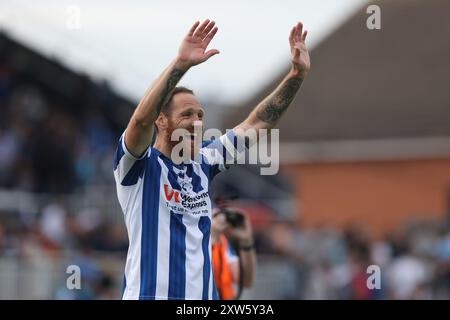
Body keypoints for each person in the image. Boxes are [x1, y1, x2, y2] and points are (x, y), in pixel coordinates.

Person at [113, 18, 310, 300]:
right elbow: (140, 120)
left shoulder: (205, 161)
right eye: (186, 115)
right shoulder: (138, 166)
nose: (196, 123)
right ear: (161, 120)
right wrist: (180, 65)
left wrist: (296, 77)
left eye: (201, 116)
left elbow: (258, 123)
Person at [211, 207, 257, 299]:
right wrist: (210, 239)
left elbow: (246, 281)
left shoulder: (222, 241)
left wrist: (246, 241)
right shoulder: (188, 238)